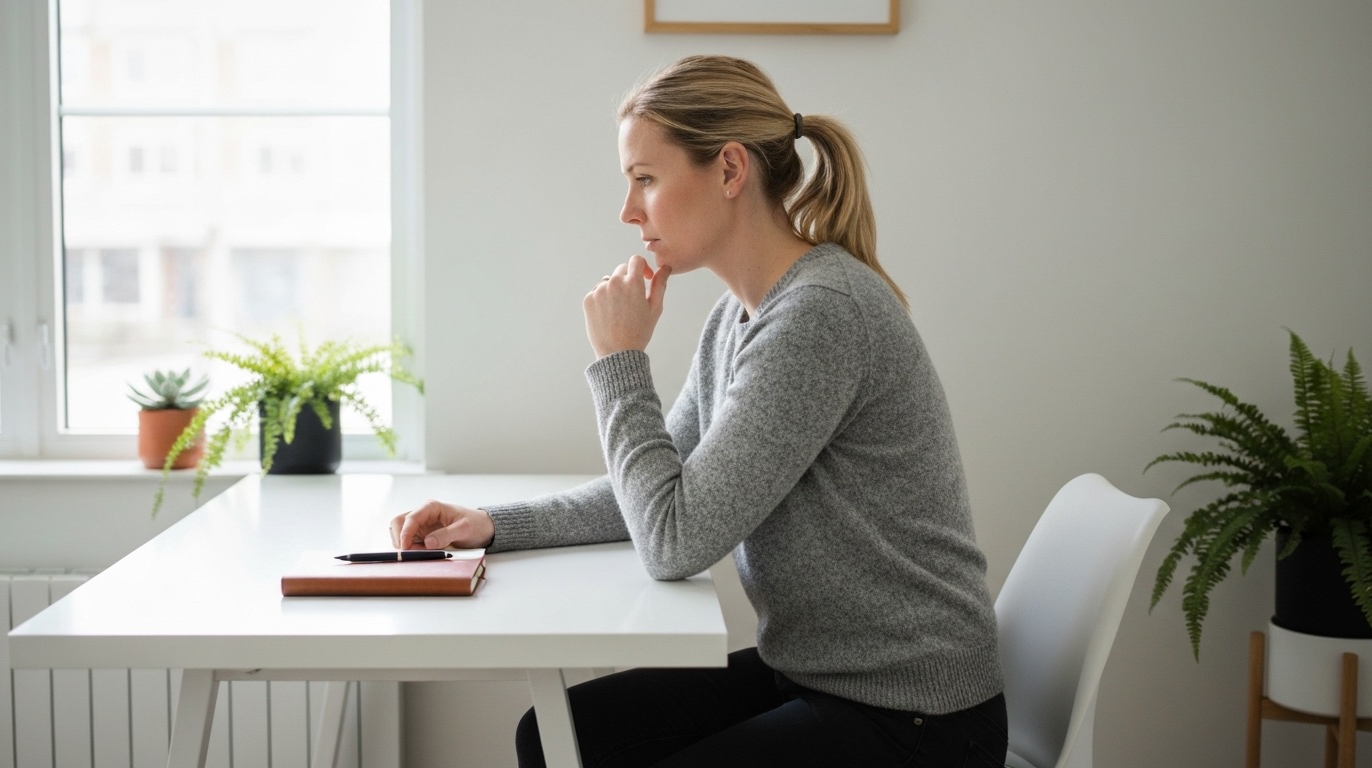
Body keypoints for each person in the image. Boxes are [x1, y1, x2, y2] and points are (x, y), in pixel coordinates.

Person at [390, 55, 1007, 767]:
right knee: (560, 738)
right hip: (818, 677)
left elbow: (673, 541)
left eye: (645, 180)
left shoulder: (818, 317)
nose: (628, 211)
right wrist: (496, 527)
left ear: (730, 170)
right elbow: (658, 492)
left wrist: (620, 363)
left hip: (915, 721)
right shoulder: (739, 318)